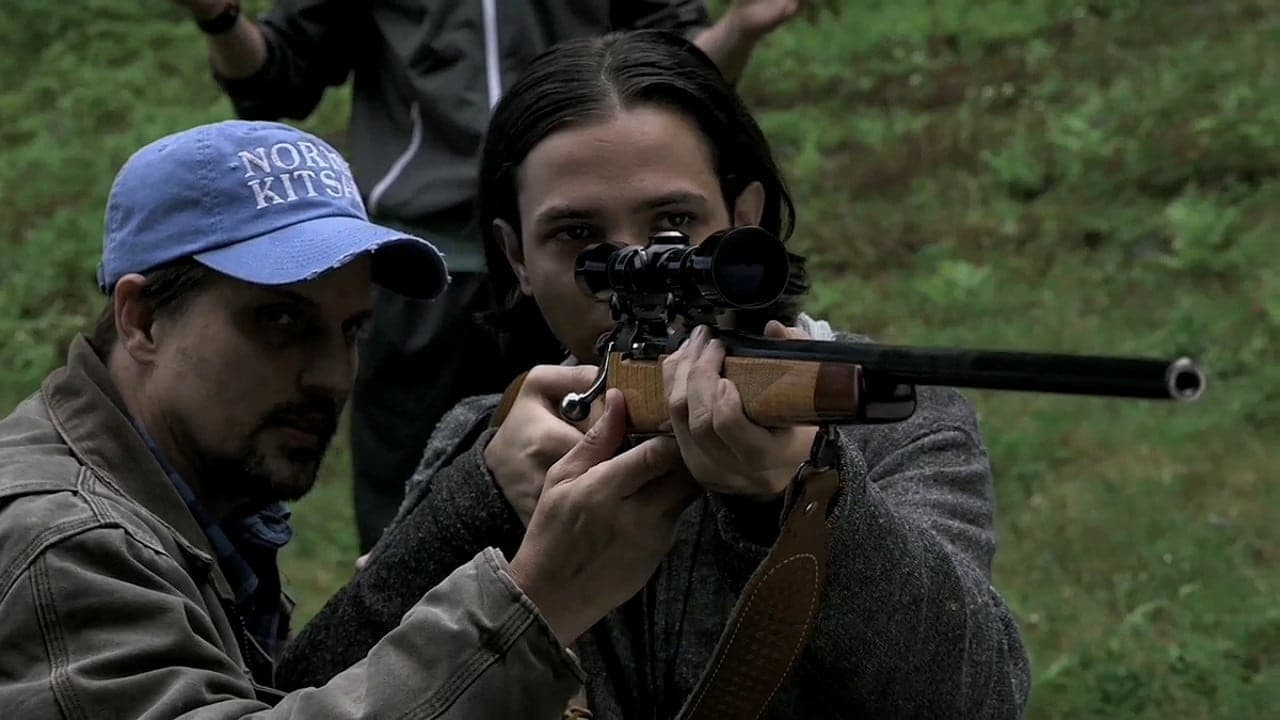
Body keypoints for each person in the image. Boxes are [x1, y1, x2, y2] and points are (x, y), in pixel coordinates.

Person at [275, 32, 1033, 718]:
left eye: (674, 228)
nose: (638, 269)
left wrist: (802, 496)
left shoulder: (894, 417)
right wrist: (479, 499)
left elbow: (979, 695)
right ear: (516, 260)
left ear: (747, 221)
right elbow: (306, 691)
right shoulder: (488, 435)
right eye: (578, 237)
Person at [0, 119, 703, 717]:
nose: (334, 377)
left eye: (351, 330)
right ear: (143, 317)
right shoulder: (65, 542)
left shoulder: (198, 497)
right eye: (279, 321)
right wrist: (538, 599)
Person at [169, 0, 811, 553]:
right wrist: (220, 15)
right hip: (423, 273)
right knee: (431, 492)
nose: (631, 252)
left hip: (555, 258)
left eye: (673, 220)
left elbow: (672, 81)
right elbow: (277, 79)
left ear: (743, 215)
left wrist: (742, 27)